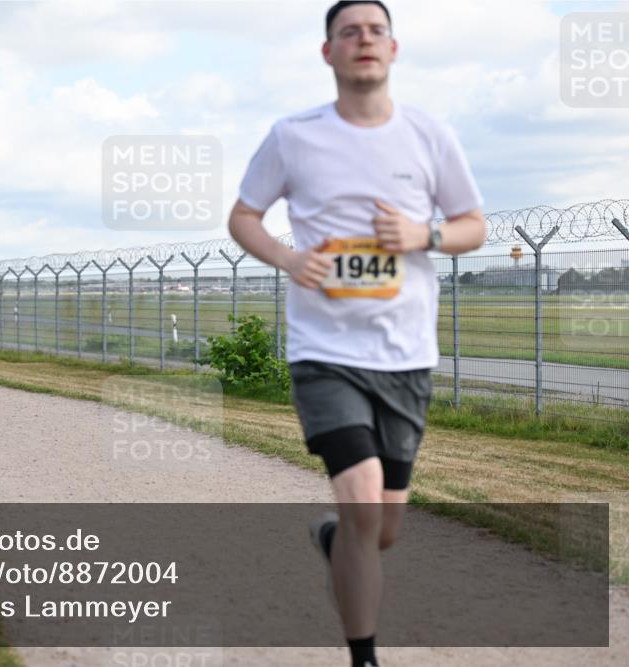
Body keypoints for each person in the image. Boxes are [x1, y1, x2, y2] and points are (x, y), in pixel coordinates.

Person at [228, 3, 486, 666]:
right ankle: (364, 656)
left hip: (405, 355)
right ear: (328, 52)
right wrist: (289, 259)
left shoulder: (429, 135)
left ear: (393, 49)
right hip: (325, 352)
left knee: (382, 527)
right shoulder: (294, 136)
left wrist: (424, 233)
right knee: (364, 503)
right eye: (349, 31)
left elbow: (473, 226)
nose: (364, 40)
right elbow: (244, 215)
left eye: (376, 31)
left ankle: (335, 540)